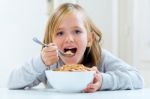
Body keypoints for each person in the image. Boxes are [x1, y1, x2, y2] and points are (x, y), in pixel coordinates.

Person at [7, 3, 144, 93]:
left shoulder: (100, 58)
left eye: (77, 31)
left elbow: (137, 78)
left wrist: (103, 81)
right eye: (60, 33)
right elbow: (12, 82)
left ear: (89, 39)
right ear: (51, 42)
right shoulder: (49, 65)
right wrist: (41, 61)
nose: (69, 39)